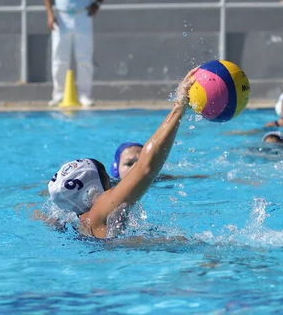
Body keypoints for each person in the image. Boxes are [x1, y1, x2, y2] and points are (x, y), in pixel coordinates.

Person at [45, 68, 197, 238]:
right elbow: (145, 169)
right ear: (92, 193)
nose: (113, 184)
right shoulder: (100, 209)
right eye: (106, 179)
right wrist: (178, 108)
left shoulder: (82, 223)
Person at [42, 0, 110, 108]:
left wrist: (97, 4)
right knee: (59, 57)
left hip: (83, 16)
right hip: (62, 17)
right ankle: (58, 94)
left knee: (84, 57)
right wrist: (50, 14)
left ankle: (85, 95)